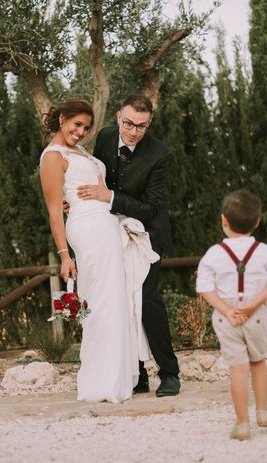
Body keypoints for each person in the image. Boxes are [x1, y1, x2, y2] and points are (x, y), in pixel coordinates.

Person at [77, 94, 180, 397]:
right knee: (121, 304)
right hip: (111, 232)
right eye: (129, 123)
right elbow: (96, 178)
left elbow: (150, 207)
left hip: (147, 234)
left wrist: (106, 197)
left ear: (149, 124)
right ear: (118, 117)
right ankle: (137, 376)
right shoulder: (107, 137)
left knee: (147, 301)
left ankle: (169, 373)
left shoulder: (161, 155)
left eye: (142, 126)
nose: (134, 131)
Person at [39, 99, 134, 403]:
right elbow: (55, 211)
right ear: (62, 119)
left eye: (86, 128)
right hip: (87, 228)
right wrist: (64, 255)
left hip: (106, 224)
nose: (81, 132)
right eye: (76, 124)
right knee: (99, 300)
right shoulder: (52, 156)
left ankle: (115, 378)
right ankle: (98, 382)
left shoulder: (79, 152)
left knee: (114, 298)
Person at [195, 190, 267, 440]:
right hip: (256, 315)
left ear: (224, 220)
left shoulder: (213, 254)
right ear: (257, 221)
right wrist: (252, 305)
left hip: (226, 317)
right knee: (257, 361)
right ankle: (263, 411)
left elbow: (204, 287)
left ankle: (242, 424)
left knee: (238, 368)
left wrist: (226, 309)